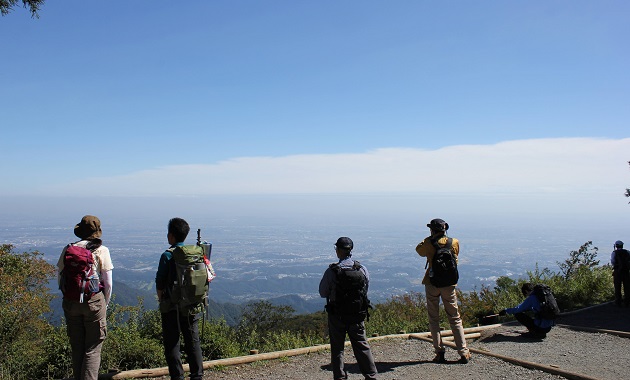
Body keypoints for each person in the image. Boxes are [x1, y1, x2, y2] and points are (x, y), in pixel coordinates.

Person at [57, 215, 114, 380]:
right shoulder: (101, 250)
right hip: (94, 301)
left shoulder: (68, 249)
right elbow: (108, 283)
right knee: (93, 348)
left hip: (70, 301)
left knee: (77, 347)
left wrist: (69, 295)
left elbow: (60, 278)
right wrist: (105, 303)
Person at [319, 237, 377, 380]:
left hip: (337, 315)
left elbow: (322, 292)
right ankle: (371, 376)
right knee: (362, 346)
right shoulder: (362, 269)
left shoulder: (332, 271)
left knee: (337, 348)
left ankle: (340, 377)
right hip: (357, 314)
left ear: (338, 250)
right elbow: (365, 289)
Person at [415, 218, 471, 364]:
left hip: (432, 282)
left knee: (434, 319)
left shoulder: (428, 243)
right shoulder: (454, 242)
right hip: (449, 284)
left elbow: (419, 251)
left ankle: (439, 352)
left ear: (432, 230)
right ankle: (463, 352)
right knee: (455, 317)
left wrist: (429, 238)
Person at [155, 217, 204, 380]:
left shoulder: (167, 255)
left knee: (172, 344)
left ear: (171, 236)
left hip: (171, 305)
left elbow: (160, 282)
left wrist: (162, 300)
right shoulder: (196, 253)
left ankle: (177, 377)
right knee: (193, 342)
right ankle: (197, 376)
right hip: (191, 304)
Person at [611, 240, 630, 307]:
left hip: (617, 272)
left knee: (617, 287)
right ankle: (627, 301)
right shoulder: (627, 252)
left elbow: (613, 262)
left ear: (616, 246)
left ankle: (618, 301)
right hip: (626, 272)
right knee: (627, 287)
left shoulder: (614, 253)